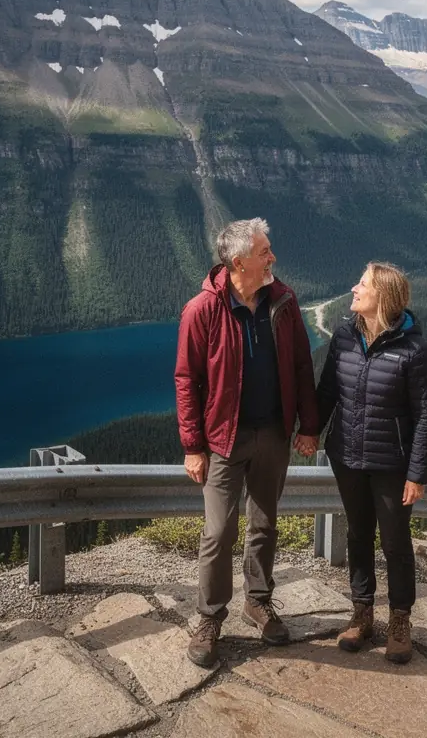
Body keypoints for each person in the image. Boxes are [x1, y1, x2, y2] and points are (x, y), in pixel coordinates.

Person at [176, 217, 320, 667]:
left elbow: (301, 365)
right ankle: (210, 617)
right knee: (218, 532)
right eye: (264, 252)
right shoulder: (202, 309)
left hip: (273, 434)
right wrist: (193, 445)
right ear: (239, 262)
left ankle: (257, 602)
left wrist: (309, 426)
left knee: (265, 524)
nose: (272, 257)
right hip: (223, 439)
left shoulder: (285, 302)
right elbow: (187, 379)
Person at [317, 262, 427, 664]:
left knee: (395, 542)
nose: (354, 288)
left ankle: (399, 619)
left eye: (362, 284)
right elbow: (328, 391)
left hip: (392, 463)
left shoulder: (414, 350)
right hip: (346, 455)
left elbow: (424, 417)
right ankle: (362, 612)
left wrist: (417, 473)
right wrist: (307, 431)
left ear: (381, 298)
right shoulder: (344, 336)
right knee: (358, 534)